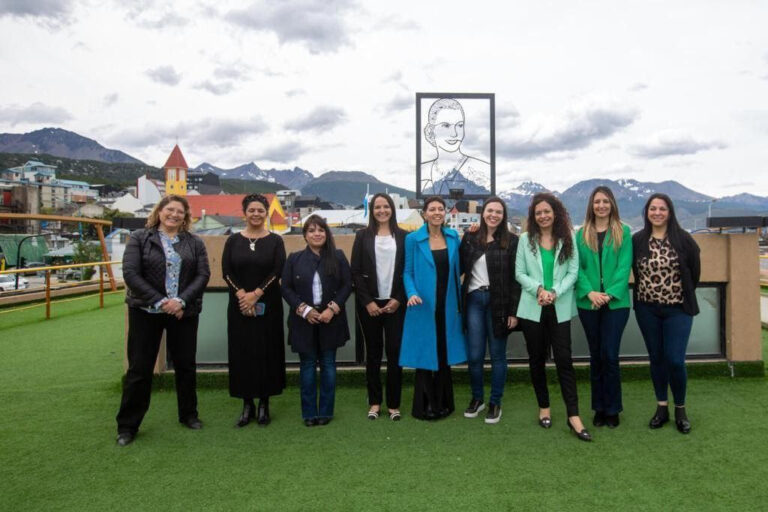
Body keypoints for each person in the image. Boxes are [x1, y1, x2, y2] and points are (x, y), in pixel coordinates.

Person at [116, 195, 210, 446]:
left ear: (186, 216)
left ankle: (189, 415)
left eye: (180, 211)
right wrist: (161, 302)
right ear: (159, 212)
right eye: (170, 210)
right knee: (139, 369)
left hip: (183, 312)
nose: (174, 215)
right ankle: (127, 426)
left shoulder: (194, 242)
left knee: (186, 365)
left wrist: (180, 302)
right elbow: (131, 274)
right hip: (146, 311)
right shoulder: (140, 238)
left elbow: (202, 275)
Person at [515, 193, 591, 441]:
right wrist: (538, 290)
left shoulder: (567, 238)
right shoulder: (525, 240)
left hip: (559, 306)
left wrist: (555, 292)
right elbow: (519, 273)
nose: (543, 216)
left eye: (547, 211)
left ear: (555, 213)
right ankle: (544, 407)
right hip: (532, 307)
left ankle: (573, 415)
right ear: (533, 217)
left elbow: (573, 272)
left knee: (564, 360)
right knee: (537, 360)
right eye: (538, 213)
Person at [632, 193, 700, 434]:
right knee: (656, 358)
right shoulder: (637, 240)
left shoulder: (684, 240)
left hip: (678, 310)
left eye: (662, 208)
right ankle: (662, 407)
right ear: (647, 212)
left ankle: (680, 409)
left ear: (669, 212)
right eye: (653, 209)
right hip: (647, 309)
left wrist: (679, 295)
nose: (657, 213)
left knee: (674, 359)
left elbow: (694, 272)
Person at [222, 194, 286, 428]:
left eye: (260, 210)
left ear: (266, 213)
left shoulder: (276, 241)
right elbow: (226, 271)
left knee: (266, 352)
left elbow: (278, 271)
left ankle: (264, 404)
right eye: (252, 210)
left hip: (268, 306)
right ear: (245, 213)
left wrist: (256, 294)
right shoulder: (233, 240)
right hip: (239, 307)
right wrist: (242, 295)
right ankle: (246, 403)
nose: (256, 214)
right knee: (242, 353)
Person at [400, 196, 467, 420]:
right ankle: (425, 405)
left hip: (447, 306)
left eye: (441, 209)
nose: (437, 212)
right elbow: (407, 272)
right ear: (425, 214)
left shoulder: (453, 236)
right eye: (432, 209)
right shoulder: (413, 239)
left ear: (445, 213)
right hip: (423, 306)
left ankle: (444, 404)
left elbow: (460, 268)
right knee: (425, 353)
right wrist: (412, 294)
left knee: (443, 352)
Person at [281, 215, 352, 427]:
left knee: (329, 365)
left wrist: (332, 308)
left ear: (327, 233)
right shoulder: (294, 259)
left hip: (331, 319)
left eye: (321, 230)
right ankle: (309, 413)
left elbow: (347, 285)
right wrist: (303, 309)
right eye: (311, 230)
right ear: (305, 235)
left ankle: (326, 412)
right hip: (304, 321)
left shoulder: (338, 257)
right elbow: (286, 287)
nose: (317, 234)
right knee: (308, 366)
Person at [459, 196, 520, 424]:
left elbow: (515, 280)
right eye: (490, 211)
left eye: (498, 212)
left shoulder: (512, 241)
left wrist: (513, 312)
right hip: (474, 299)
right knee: (474, 356)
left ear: (503, 216)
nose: (493, 215)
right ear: (483, 213)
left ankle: (495, 401)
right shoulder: (470, 237)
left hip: (500, 303)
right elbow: (460, 267)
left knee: (497, 356)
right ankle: (477, 398)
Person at [576, 186, 632, 429]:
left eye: (605, 202)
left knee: (610, 355)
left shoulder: (624, 232)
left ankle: (613, 408)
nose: (601, 206)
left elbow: (624, 266)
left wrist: (608, 294)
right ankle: (598, 408)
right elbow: (576, 267)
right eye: (597, 201)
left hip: (616, 303)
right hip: (588, 303)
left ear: (612, 205)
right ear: (592, 205)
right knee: (596, 355)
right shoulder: (581, 234)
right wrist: (590, 292)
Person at [350, 193, 407, 421]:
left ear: (392, 209)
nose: (382, 210)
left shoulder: (404, 237)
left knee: (394, 353)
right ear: (371, 211)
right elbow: (355, 272)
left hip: (395, 304)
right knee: (373, 354)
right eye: (377, 207)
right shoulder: (362, 236)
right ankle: (374, 403)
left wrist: (398, 299)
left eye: (385, 206)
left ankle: (394, 405)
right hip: (370, 305)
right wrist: (368, 302)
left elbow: (408, 271)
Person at [420, 98, 491, 196]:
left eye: (460, 125)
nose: (454, 133)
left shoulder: (483, 169)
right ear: (431, 130)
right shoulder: (423, 171)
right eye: (446, 126)